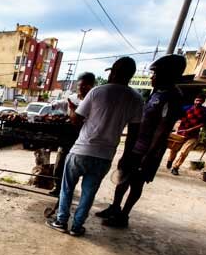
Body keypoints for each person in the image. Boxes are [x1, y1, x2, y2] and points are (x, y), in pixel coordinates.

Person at [47, 57, 144, 237]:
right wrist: (127, 156)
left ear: (114, 71)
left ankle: (61, 221)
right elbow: (134, 132)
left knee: (67, 188)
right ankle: (77, 227)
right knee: (88, 193)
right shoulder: (136, 99)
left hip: (81, 150)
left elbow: (76, 120)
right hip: (105, 155)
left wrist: (73, 110)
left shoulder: (97, 92)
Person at [99, 54, 186, 228]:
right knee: (123, 176)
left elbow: (162, 129)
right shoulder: (157, 93)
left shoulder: (172, 96)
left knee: (137, 182)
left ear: (168, 74)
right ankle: (115, 207)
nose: (152, 77)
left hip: (147, 150)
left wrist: (149, 154)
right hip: (136, 145)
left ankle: (124, 215)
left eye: (156, 74)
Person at [167, 92, 206, 175]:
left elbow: (203, 124)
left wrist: (190, 129)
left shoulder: (205, 111)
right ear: (194, 100)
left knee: (184, 152)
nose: (198, 102)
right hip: (180, 133)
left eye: (200, 101)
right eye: (197, 100)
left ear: (203, 101)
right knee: (174, 150)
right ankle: (170, 160)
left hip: (193, 135)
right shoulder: (186, 108)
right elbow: (177, 118)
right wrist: (175, 129)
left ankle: (176, 167)